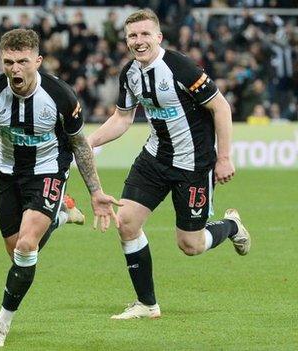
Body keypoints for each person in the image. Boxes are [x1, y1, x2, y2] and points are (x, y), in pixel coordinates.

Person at [0, 29, 121, 347]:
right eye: (8, 62)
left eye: (22, 61)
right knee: (15, 250)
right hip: (9, 173)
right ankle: (59, 217)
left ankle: (1, 324)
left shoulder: (60, 96)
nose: (15, 69)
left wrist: (96, 192)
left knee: (27, 246)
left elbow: (79, 145)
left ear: (38, 61)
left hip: (48, 172)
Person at [81, 9, 251, 320]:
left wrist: (224, 157)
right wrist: (89, 142)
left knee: (190, 244)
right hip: (155, 158)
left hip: (194, 165)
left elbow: (221, 108)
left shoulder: (181, 68)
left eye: (145, 34)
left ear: (158, 37)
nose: (138, 41)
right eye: (133, 35)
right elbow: (122, 118)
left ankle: (231, 226)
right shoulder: (130, 74)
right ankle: (146, 304)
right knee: (127, 223)